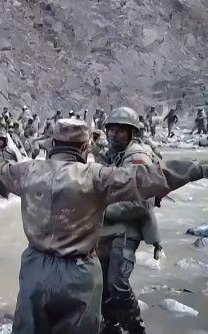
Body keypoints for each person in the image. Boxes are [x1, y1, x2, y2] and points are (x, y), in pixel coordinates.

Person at [0, 119, 208, 334]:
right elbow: (152, 176)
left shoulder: (27, 172)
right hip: (80, 273)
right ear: (85, 147)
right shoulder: (97, 178)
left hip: (35, 268)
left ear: (53, 144)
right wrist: (200, 167)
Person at [99, 107, 163, 334]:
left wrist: (103, 210)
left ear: (131, 133)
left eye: (120, 131)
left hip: (128, 225)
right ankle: (111, 324)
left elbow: (141, 203)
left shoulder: (137, 156)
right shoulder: (110, 154)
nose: (114, 135)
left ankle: (135, 326)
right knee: (102, 282)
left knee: (117, 283)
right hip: (106, 226)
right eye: (111, 130)